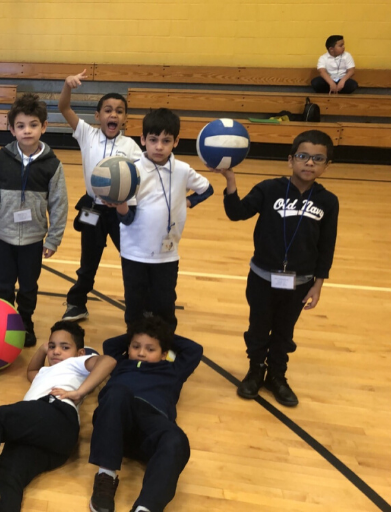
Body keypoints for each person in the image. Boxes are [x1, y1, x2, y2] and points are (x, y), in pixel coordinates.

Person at [216, 129, 340, 407]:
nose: (309, 163)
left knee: (284, 331)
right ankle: (255, 370)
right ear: (290, 160)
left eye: (318, 159)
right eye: (303, 156)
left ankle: (277, 375)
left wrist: (319, 283)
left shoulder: (328, 201)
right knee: (258, 328)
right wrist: (231, 181)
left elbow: (327, 245)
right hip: (262, 278)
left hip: (300, 282)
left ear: (327, 165)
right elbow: (237, 213)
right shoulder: (269, 189)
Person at [0, 321, 116, 511]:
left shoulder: (76, 363)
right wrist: (42, 349)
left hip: (55, 414)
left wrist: (79, 392)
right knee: (6, 476)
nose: (56, 351)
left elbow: (108, 361)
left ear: (80, 353)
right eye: (52, 346)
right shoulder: (44, 372)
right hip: (54, 443)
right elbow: (31, 371)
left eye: (65, 347)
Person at [0, 93, 68, 347]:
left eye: (33, 125)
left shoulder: (52, 165)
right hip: (3, 236)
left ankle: (26, 321)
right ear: (12, 129)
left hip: (33, 238)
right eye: (20, 126)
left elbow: (59, 204)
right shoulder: (1, 157)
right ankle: (5, 320)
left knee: (29, 286)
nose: (27, 131)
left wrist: (53, 238)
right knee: (4, 285)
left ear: (44, 126)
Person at [112, 108, 214, 333]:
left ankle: (165, 342)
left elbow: (207, 189)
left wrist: (188, 202)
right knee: (135, 303)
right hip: (134, 253)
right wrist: (119, 204)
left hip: (167, 254)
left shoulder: (183, 170)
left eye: (166, 141)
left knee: (165, 303)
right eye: (153, 140)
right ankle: (134, 341)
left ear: (176, 141)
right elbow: (127, 219)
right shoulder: (132, 171)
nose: (159, 146)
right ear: (142, 140)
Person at [87, 316, 203, 512]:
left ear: (164, 353)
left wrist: (161, 334)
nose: (141, 353)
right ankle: (106, 476)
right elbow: (110, 344)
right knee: (117, 393)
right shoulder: (120, 363)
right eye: (135, 347)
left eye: (150, 349)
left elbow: (194, 350)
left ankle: (146, 507)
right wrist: (139, 331)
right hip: (114, 424)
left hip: (152, 426)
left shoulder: (173, 369)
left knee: (177, 439)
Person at [57, 69, 143, 322]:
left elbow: (142, 179)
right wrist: (67, 85)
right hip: (92, 209)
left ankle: (139, 305)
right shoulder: (87, 134)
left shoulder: (132, 147)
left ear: (125, 118)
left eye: (119, 111)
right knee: (88, 260)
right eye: (108, 110)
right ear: (98, 116)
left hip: (121, 211)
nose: (113, 114)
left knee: (131, 258)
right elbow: (64, 107)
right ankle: (77, 303)